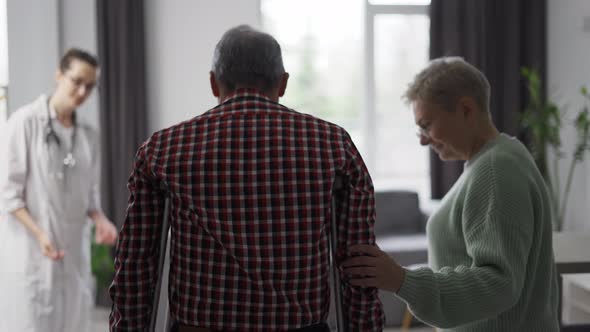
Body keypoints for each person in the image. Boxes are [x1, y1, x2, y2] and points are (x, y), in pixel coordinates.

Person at [109, 25, 384, 331]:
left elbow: (135, 263)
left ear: (214, 83)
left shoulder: (163, 148)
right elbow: (359, 266)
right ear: (282, 83)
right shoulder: (333, 144)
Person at [342, 57, 560, 331]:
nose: (422, 139)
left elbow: (499, 284)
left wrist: (402, 280)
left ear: (466, 109)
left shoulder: (495, 170)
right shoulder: (497, 159)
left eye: (427, 124)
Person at [0, 48, 118, 332]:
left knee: (73, 323)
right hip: (32, 257)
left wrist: (101, 220)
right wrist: (41, 234)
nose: (82, 91)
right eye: (76, 81)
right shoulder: (24, 123)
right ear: (59, 75)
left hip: (72, 257)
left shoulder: (88, 135)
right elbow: (8, 192)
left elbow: (90, 196)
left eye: (89, 86)